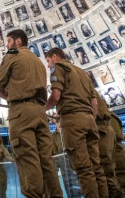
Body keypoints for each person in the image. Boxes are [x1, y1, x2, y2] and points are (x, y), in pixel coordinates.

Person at [0, 30, 61, 198]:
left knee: (27, 157)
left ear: (17, 41)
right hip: (40, 111)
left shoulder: (12, 56)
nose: (7, 45)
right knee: (47, 160)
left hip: (21, 112)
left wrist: (11, 98)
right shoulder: (38, 61)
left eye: (9, 41)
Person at [44, 47, 99, 198]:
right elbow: (94, 103)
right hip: (89, 120)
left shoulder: (58, 68)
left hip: (72, 120)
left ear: (54, 57)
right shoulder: (82, 72)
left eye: (48, 61)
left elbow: (55, 96)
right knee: (97, 168)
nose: (48, 65)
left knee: (83, 169)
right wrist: (89, 119)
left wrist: (42, 109)